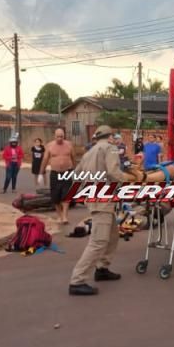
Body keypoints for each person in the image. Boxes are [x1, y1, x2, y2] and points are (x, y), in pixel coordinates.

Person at [69, 125, 127, 296]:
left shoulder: (89, 152)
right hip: (103, 199)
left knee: (112, 235)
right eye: (114, 136)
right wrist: (131, 181)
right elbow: (114, 172)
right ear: (110, 137)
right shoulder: (111, 149)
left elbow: (76, 175)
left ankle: (102, 268)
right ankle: (77, 280)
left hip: (94, 197)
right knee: (98, 241)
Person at [41, 128, 76, 224]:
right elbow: (45, 159)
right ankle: (59, 215)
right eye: (58, 136)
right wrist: (41, 172)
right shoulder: (50, 146)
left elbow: (73, 158)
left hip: (67, 172)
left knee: (66, 194)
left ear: (64, 136)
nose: (60, 138)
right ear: (54, 136)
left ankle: (65, 216)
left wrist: (76, 170)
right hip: (55, 173)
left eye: (61, 136)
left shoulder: (69, 145)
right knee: (55, 196)